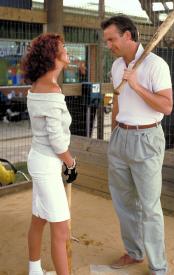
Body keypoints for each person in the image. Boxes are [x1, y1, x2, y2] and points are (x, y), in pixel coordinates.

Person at [101, 15, 173, 275]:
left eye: (112, 39)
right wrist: (117, 128)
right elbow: (119, 99)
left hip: (147, 138)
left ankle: (158, 267)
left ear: (128, 36)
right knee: (124, 202)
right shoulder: (117, 65)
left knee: (150, 207)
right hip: (121, 137)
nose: (109, 44)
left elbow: (166, 106)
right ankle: (134, 252)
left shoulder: (156, 65)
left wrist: (137, 85)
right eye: (107, 40)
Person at [21, 33, 77, 275]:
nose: (66, 49)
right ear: (52, 55)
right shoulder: (52, 89)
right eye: (62, 47)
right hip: (46, 163)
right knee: (61, 229)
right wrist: (71, 162)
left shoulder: (38, 85)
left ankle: (35, 271)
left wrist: (63, 161)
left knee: (39, 218)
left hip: (40, 159)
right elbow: (56, 140)